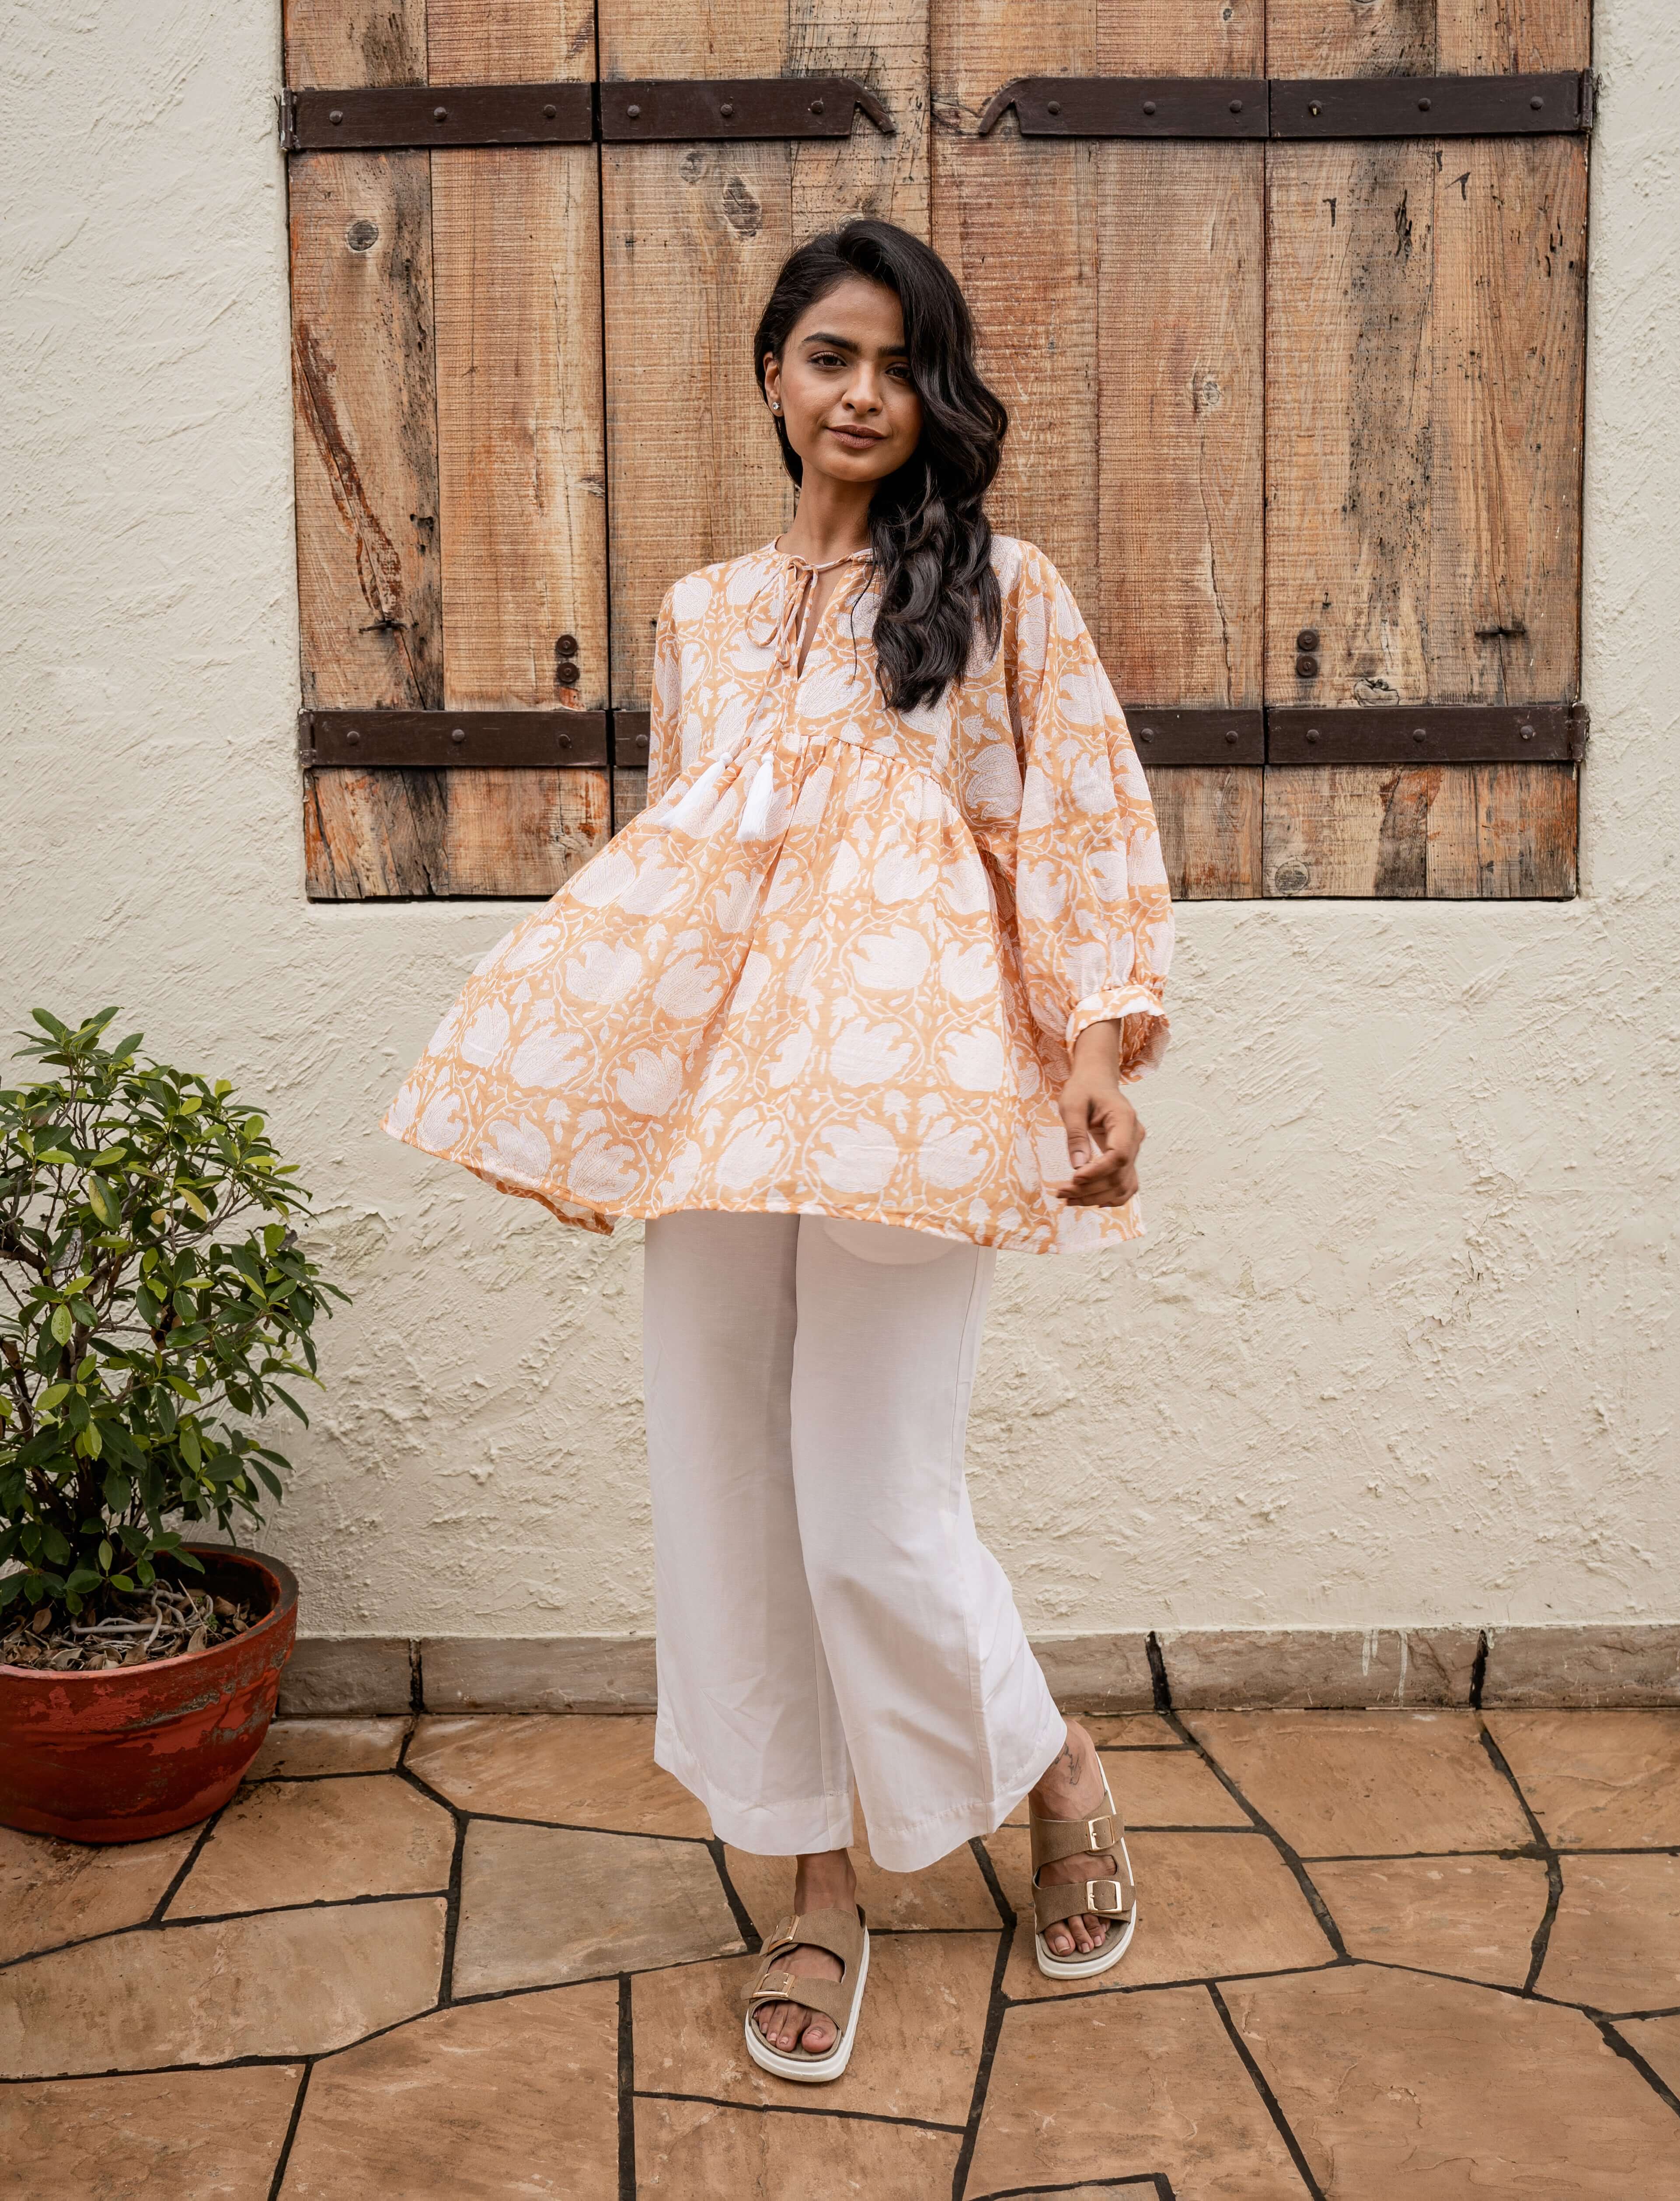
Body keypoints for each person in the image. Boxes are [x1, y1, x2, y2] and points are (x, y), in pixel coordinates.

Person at [383, 218, 1173, 2082]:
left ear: (933, 392)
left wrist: (1094, 1062)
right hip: (725, 1104)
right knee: (724, 1493)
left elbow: (1073, 842)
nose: (864, 394)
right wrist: (604, 1083)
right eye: (830, 355)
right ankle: (814, 1880)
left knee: (870, 1501)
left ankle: (1054, 1761)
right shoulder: (701, 615)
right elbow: (686, 872)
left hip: (910, 1099)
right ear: (770, 372)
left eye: (899, 365)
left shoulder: (1000, 594)